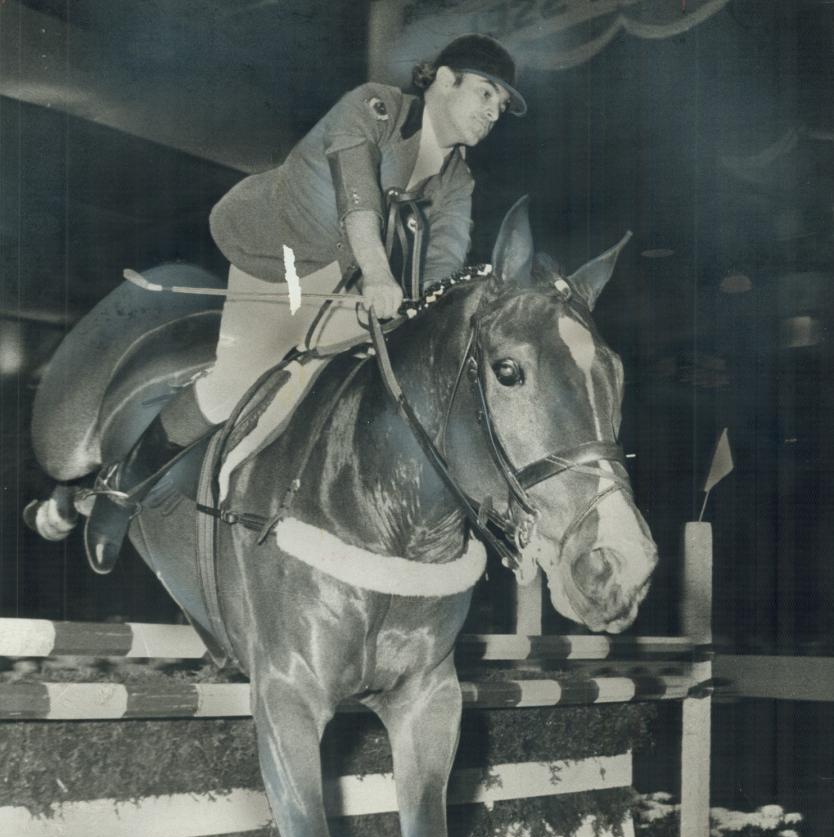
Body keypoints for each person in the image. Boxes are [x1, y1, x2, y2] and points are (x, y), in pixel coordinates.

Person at [85, 34, 527, 573]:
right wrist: (382, 275)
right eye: (486, 94)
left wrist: (422, 309)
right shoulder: (375, 106)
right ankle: (121, 489)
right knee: (238, 379)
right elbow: (356, 201)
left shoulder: (458, 177)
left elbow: (446, 254)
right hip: (280, 253)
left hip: (345, 280)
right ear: (443, 79)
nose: (493, 112)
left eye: (500, 106)